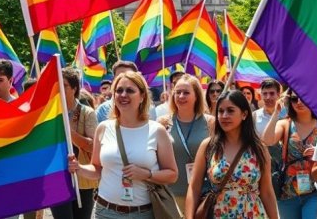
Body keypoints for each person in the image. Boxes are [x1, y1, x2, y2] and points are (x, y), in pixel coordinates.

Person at [68, 71, 179, 218]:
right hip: (105, 211)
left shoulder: (157, 130)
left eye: (130, 90)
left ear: (142, 96)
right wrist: (79, 168)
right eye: (119, 90)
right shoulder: (104, 128)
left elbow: (172, 175)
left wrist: (147, 174)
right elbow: (96, 168)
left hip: (143, 213)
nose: (123, 94)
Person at [185, 90, 279, 218]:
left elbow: (267, 192)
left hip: (253, 214)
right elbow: (194, 187)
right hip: (219, 213)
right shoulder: (208, 146)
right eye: (220, 111)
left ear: (244, 114)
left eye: (230, 110)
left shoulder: (259, 148)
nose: (224, 116)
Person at [157, 74, 215, 212]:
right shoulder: (162, 123)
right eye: (177, 92)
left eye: (186, 92)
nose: (181, 96)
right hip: (171, 195)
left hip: (203, 195)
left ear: (197, 96)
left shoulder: (211, 123)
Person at [261, 89, 317, 219]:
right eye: (294, 99)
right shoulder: (285, 124)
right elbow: (267, 140)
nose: (299, 102)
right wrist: (276, 112)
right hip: (287, 193)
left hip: (315, 191)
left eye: (303, 97)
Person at [49, 67, 98, 219]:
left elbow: (92, 146)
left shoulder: (86, 112)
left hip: (82, 180)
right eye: (55, 85)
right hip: (57, 180)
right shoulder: (48, 113)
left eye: (63, 85)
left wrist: (69, 133)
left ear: (74, 88)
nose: (58, 89)